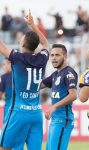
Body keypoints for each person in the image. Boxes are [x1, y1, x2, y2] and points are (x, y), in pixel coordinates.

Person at [0, 10, 49, 150]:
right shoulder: (42, 58)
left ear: (23, 43)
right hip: (36, 113)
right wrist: (33, 25)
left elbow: (2, 47)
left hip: (18, 112)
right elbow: (46, 44)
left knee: (4, 147)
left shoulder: (17, 57)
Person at [41, 44, 78, 150]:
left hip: (63, 119)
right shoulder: (55, 75)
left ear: (65, 56)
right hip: (55, 120)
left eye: (57, 55)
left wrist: (54, 106)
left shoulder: (69, 72)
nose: (53, 58)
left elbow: (73, 95)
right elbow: (37, 85)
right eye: (52, 55)